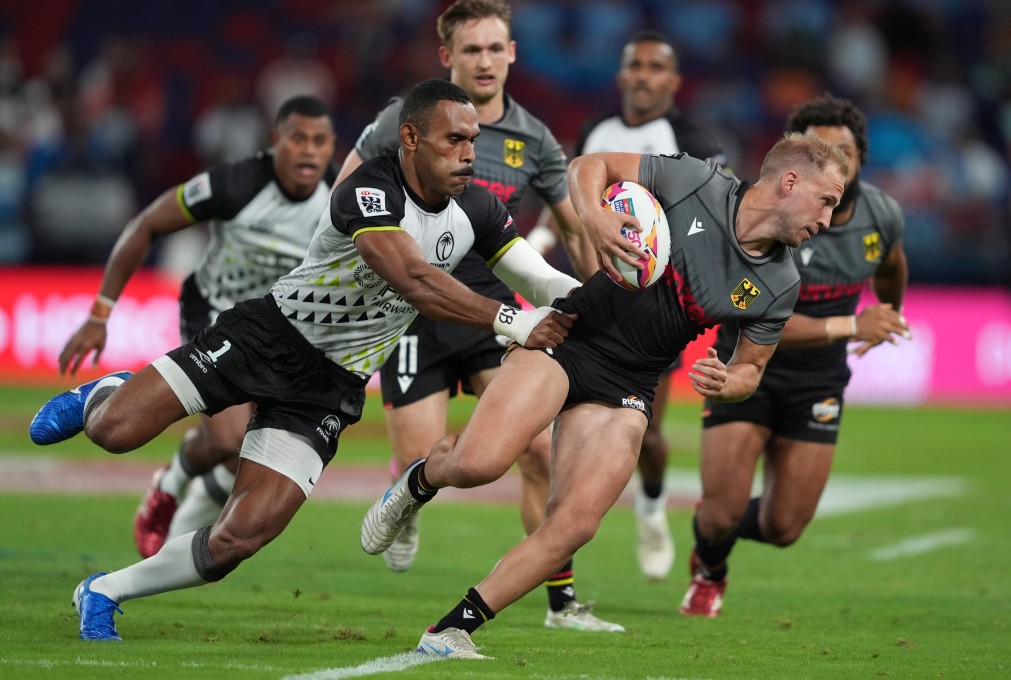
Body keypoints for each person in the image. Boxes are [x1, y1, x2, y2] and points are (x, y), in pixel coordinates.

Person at [28, 78, 579, 642]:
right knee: (115, 432)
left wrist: (599, 296)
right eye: (454, 139)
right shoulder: (369, 189)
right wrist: (512, 320)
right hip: (268, 337)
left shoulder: (480, 210)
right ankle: (102, 395)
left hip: (329, 388)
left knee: (239, 538)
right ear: (410, 138)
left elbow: (539, 278)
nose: (469, 153)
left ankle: (103, 591)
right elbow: (413, 278)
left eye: (474, 139)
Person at [361, 132, 850, 659]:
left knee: (576, 524)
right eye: (826, 202)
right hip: (570, 337)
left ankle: (450, 631)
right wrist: (593, 215)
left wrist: (727, 383)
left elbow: (750, 369)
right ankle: (418, 480)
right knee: (478, 465)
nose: (826, 221)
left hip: (632, 385)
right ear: (790, 182)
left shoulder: (779, 282)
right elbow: (590, 165)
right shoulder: (697, 182)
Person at [337, 0, 618, 633]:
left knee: (541, 454)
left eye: (496, 49)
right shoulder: (402, 120)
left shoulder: (535, 140)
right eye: (472, 50)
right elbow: (345, 194)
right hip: (412, 316)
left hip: (498, 316)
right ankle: (406, 497)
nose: (485, 61)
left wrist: (599, 296)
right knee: (424, 458)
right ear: (448, 57)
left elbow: (575, 231)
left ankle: (562, 602)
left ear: (512, 53)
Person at [51, 95, 339, 559]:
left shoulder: (341, 200)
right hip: (217, 313)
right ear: (275, 141)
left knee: (242, 448)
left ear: (332, 148)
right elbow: (146, 224)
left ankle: (182, 488)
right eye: (298, 139)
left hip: (284, 329)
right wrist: (100, 313)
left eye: (320, 141)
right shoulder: (235, 182)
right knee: (228, 438)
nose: (309, 151)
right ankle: (169, 483)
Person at [680, 94, 911, 618]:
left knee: (785, 528)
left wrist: (890, 310)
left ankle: (718, 515)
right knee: (721, 518)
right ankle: (711, 568)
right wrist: (855, 323)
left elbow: (891, 266)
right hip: (744, 363)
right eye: (822, 149)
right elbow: (768, 321)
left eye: (844, 150)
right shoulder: (772, 218)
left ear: (860, 157)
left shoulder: (881, 215)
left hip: (819, 380)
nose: (835, 160)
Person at [571, 30, 726, 582]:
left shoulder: (692, 138)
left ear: (673, 81)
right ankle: (561, 569)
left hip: (657, 308)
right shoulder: (596, 132)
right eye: (634, 64)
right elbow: (578, 200)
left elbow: (715, 221)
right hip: (594, 289)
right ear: (621, 74)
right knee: (566, 425)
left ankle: (653, 506)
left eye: (655, 66)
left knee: (647, 433)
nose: (642, 74)